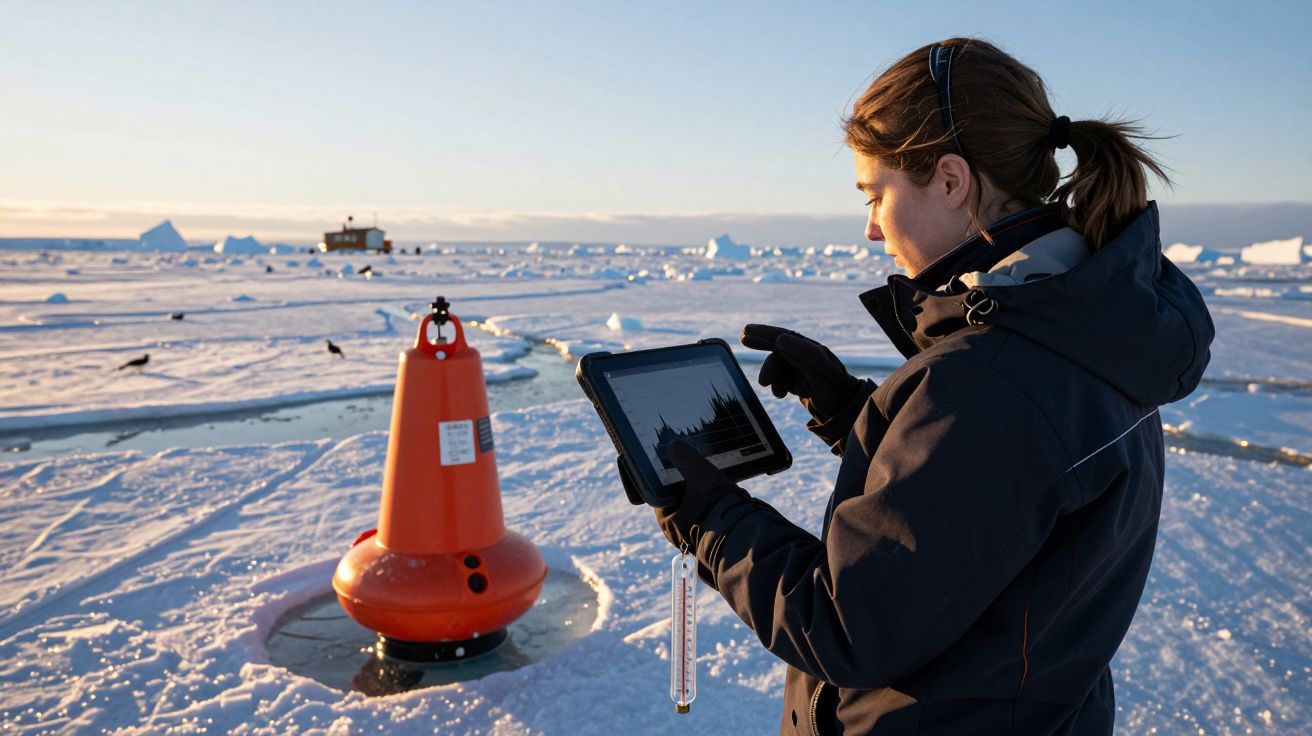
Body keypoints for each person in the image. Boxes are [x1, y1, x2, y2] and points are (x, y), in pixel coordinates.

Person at [654, 37, 1215, 735]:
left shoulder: (990, 380)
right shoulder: (1095, 324)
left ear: (951, 181)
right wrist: (852, 411)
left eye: (876, 194)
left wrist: (710, 520)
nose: (869, 228)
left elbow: (848, 625)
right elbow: (996, 494)